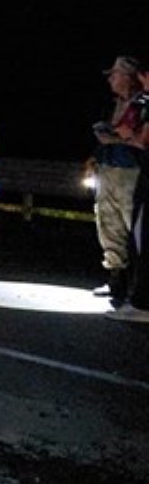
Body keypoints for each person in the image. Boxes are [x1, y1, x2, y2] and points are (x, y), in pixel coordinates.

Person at [90, 56, 142, 306]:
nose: (111, 79)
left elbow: (140, 139)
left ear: (128, 77)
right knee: (107, 222)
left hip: (131, 171)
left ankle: (136, 284)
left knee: (134, 225)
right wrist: (94, 156)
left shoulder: (142, 103)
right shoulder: (111, 103)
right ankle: (115, 278)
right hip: (108, 167)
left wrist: (118, 139)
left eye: (115, 74)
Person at [105, 64, 149, 323]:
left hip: (136, 172)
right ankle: (125, 286)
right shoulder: (123, 103)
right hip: (118, 167)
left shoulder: (143, 102)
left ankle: (140, 300)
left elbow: (142, 140)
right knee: (120, 229)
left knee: (140, 234)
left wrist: (126, 136)